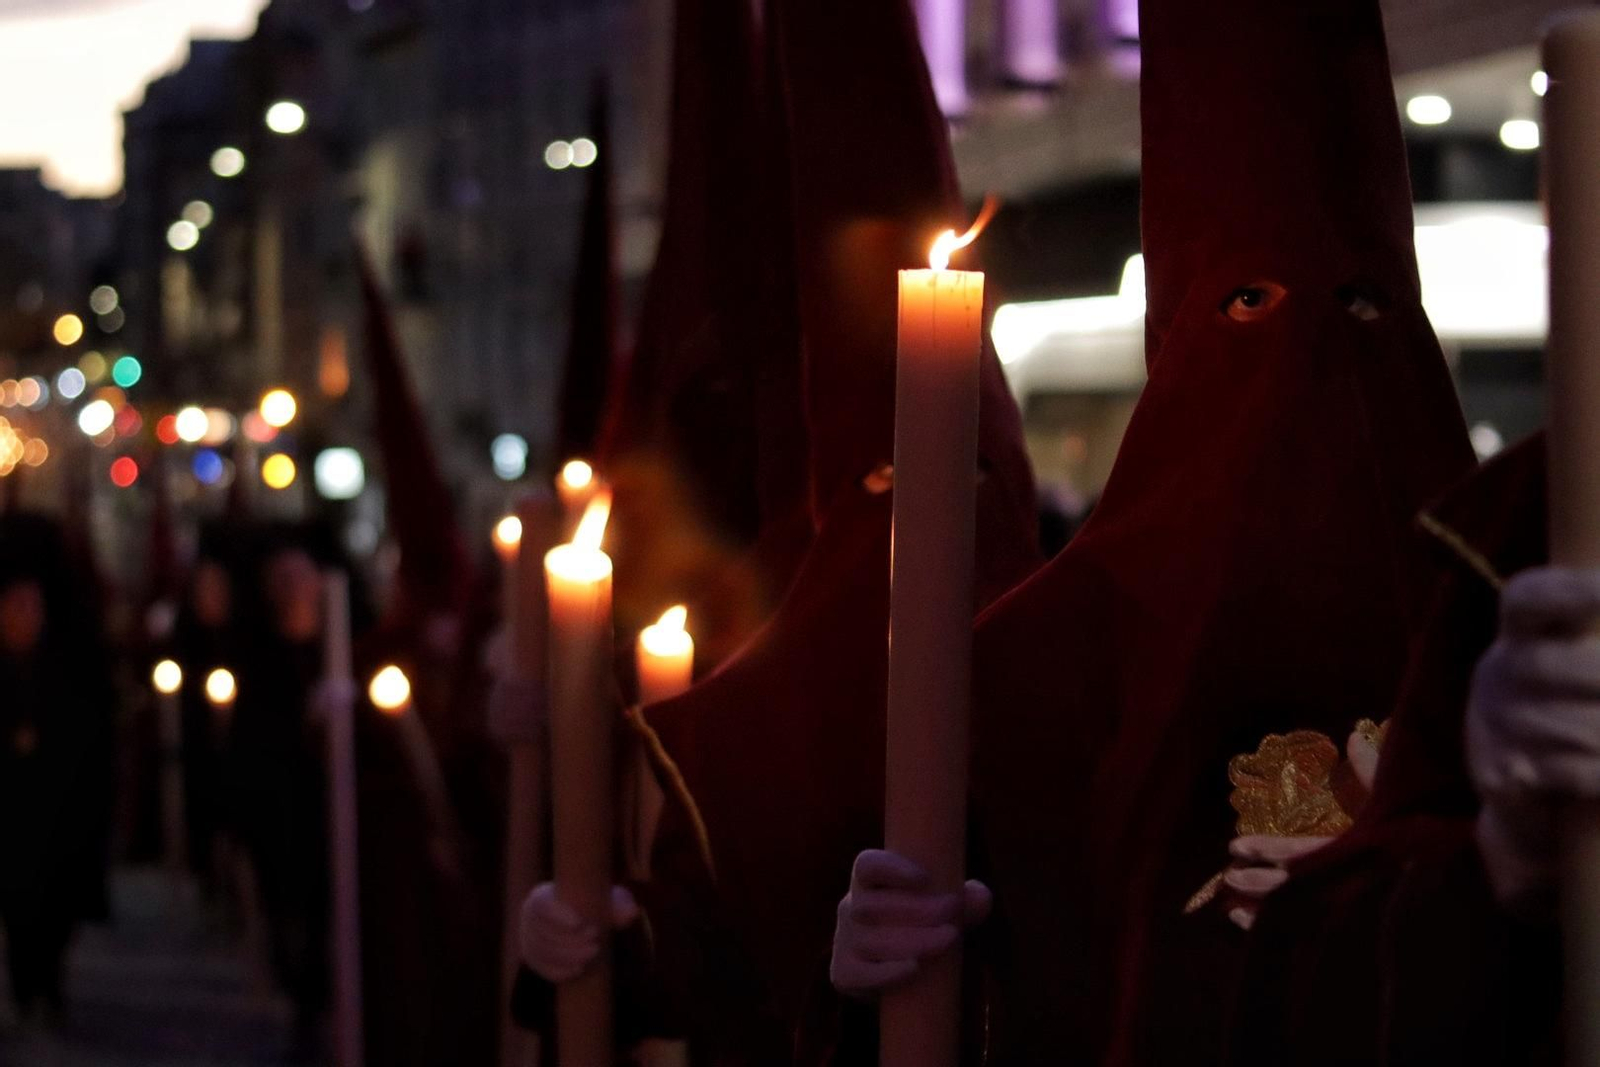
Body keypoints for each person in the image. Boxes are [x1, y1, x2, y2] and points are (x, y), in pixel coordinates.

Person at [827, 0, 1478, 1061]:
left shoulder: (1502, 623)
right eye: (1248, 304)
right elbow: (1014, 973)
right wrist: (888, 978)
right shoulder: (1042, 664)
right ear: (1175, 350)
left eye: (1358, 308)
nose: (1306, 358)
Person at [0, 514, 116, 1027]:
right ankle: (28, 986)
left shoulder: (71, 665)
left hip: (60, 800)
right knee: (19, 903)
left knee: (57, 897)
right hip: (11, 807)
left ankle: (49, 982)